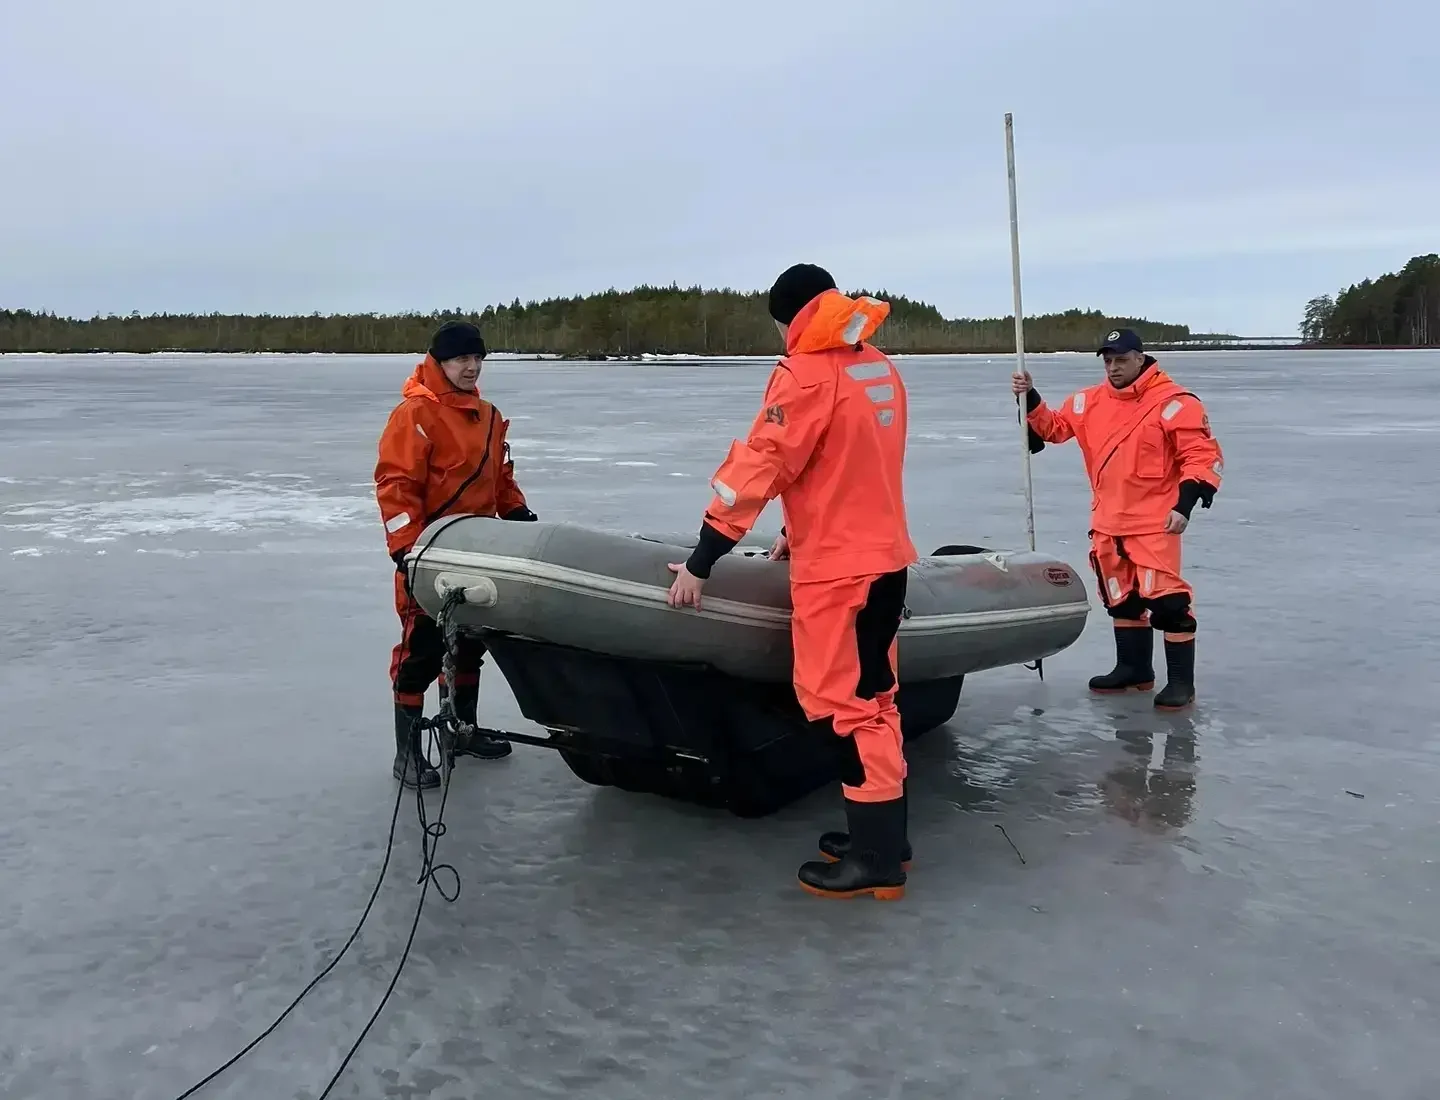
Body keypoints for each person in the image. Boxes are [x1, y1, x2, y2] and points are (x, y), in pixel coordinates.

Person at [666, 263, 917, 900]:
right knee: (877, 698)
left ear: (790, 317)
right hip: (883, 558)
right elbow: (848, 464)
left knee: (844, 709)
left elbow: (759, 467)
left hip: (841, 574)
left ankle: (877, 862)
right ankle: (885, 839)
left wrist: (702, 560)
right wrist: (798, 529)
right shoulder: (876, 366)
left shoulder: (805, 373)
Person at [1012, 327, 1223, 710]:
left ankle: (1181, 684)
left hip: (1154, 524)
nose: (1113, 367)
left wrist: (1186, 503)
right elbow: (1053, 428)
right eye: (1108, 360)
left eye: (1121, 360)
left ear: (1140, 359)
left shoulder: (1174, 403)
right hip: (1107, 523)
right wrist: (1030, 398)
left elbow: (1201, 456)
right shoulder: (1088, 402)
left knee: (1169, 604)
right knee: (1122, 600)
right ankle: (1134, 670)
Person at [374, 320, 538, 788]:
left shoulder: (488, 415)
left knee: (469, 646)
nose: (472, 367)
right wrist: (406, 549)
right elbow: (396, 485)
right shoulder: (414, 416)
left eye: (477, 357)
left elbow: (498, 478)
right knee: (420, 653)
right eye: (461, 359)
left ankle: (461, 732)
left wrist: (517, 511)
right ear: (440, 362)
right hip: (426, 555)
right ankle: (406, 753)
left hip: (478, 549)